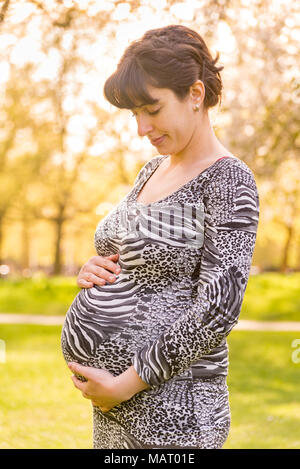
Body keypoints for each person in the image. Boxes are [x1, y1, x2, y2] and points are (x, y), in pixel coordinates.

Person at [61, 24, 259, 449]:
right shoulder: (152, 170)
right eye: (134, 114)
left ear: (195, 94)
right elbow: (134, 258)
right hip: (117, 413)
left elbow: (217, 309)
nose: (140, 128)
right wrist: (97, 267)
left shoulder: (229, 180)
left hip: (177, 415)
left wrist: (127, 383)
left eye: (151, 109)